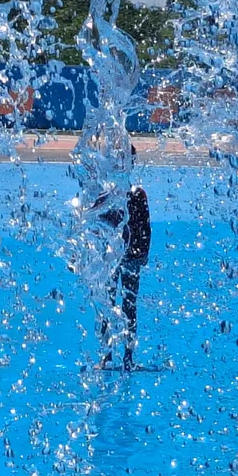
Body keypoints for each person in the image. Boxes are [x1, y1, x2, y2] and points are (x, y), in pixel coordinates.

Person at [98, 145, 151, 371]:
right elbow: (94, 226)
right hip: (112, 258)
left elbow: (145, 227)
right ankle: (107, 355)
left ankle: (127, 356)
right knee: (107, 306)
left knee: (127, 306)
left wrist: (143, 253)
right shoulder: (104, 194)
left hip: (128, 257)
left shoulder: (136, 193)